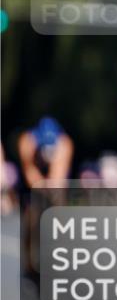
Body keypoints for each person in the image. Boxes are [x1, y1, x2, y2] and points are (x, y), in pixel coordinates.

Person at [17, 116, 74, 281]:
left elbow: (58, 177)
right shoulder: (27, 141)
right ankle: (29, 264)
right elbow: (30, 173)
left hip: (54, 180)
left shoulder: (64, 144)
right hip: (32, 180)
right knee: (31, 217)